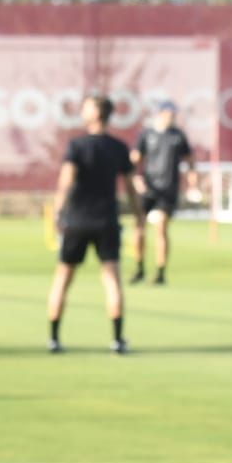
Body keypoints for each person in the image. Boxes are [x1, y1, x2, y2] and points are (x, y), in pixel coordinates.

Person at [47, 94, 142, 355]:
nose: (82, 112)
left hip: (77, 221)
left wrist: (57, 212)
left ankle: (54, 338)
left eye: (86, 108)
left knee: (63, 277)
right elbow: (131, 188)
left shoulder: (76, 146)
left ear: (96, 114)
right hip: (106, 221)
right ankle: (118, 339)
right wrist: (138, 216)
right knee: (111, 279)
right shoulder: (118, 147)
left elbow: (65, 182)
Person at [130, 101, 198, 286]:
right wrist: (136, 179)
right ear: (160, 113)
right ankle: (139, 267)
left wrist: (193, 184)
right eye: (168, 113)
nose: (171, 117)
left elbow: (190, 161)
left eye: (173, 114)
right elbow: (135, 160)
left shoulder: (178, 136)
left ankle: (160, 271)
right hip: (148, 189)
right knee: (139, 228)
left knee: (160, 227)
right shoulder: (147, 134)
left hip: (168, 190)